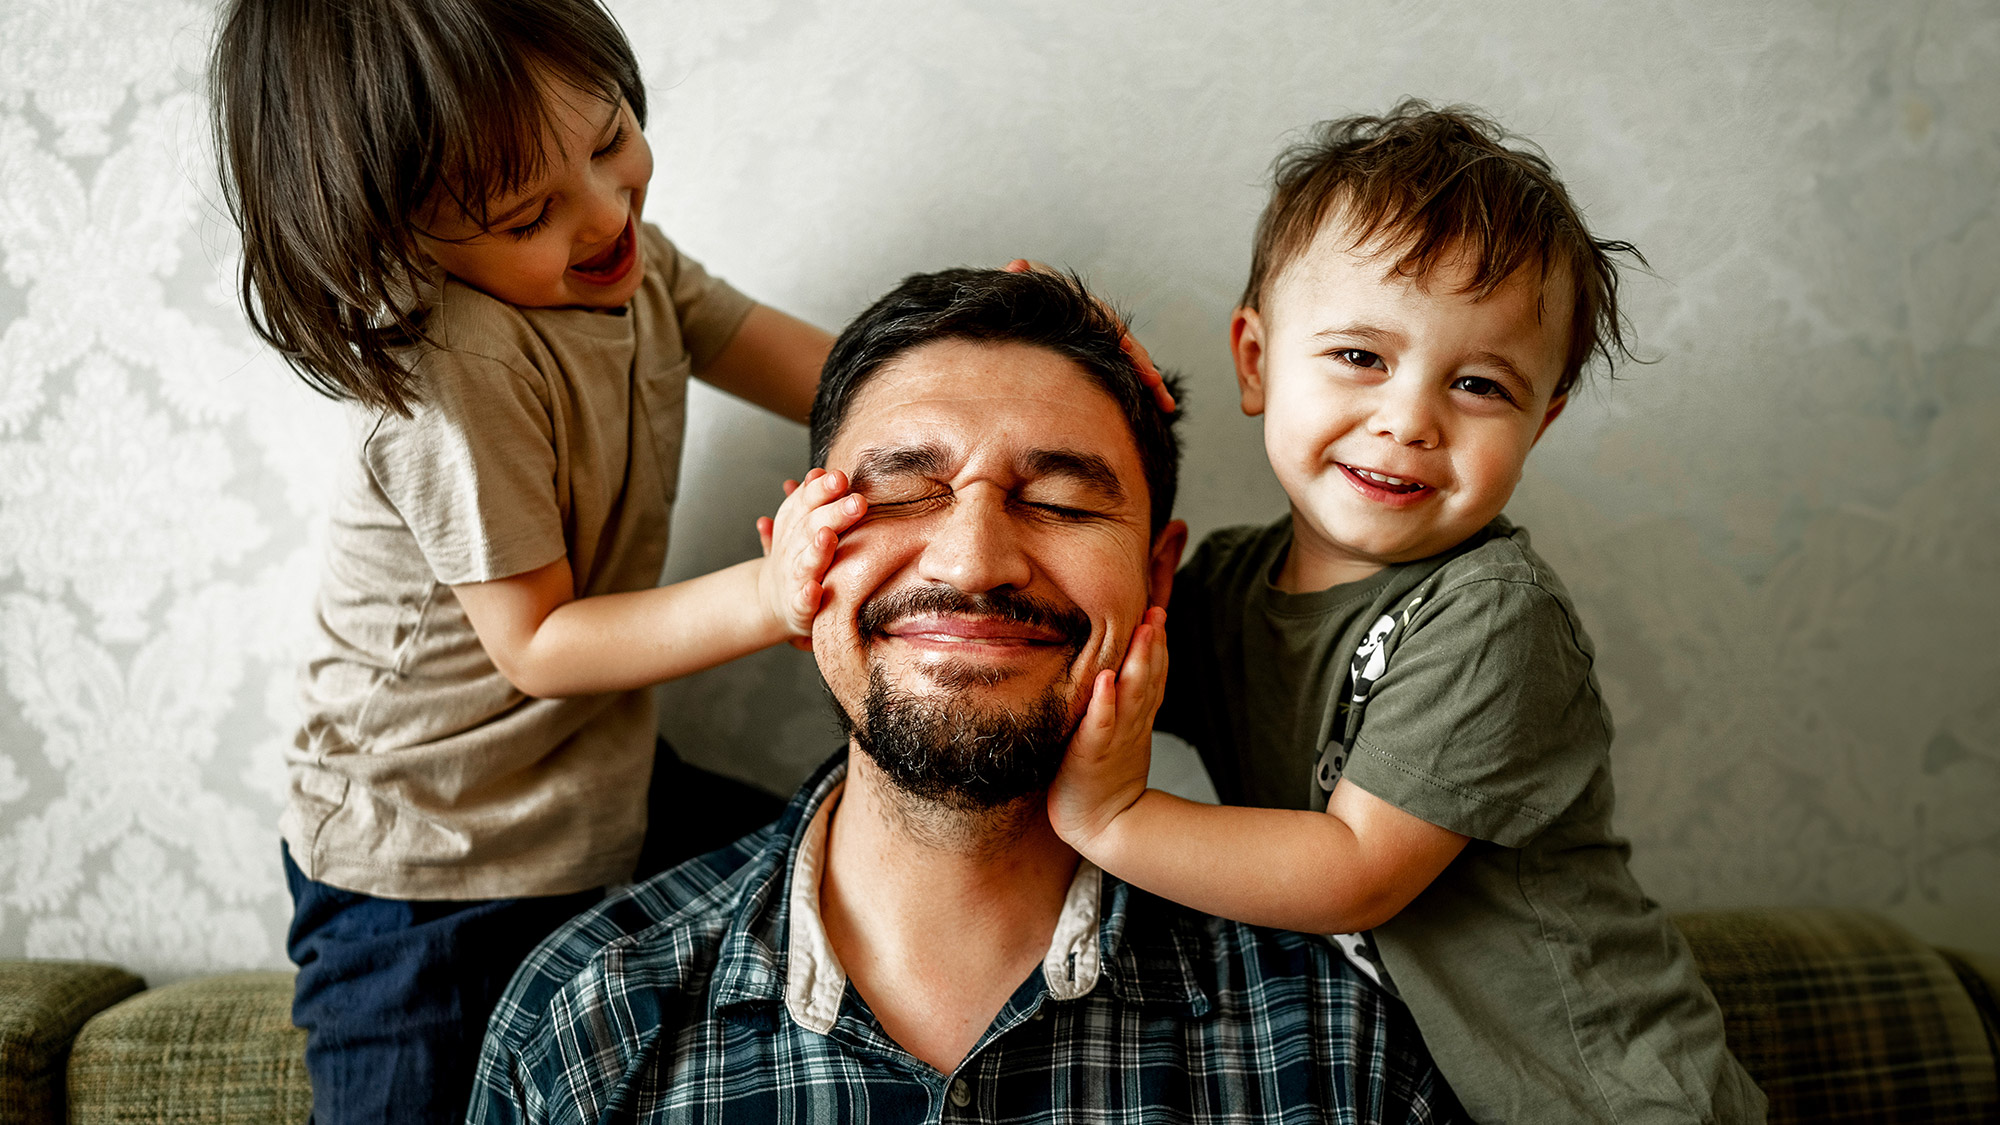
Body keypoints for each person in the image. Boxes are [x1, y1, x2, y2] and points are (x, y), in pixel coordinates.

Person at [467, 267, 1468, 1124]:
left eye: (1061, 501)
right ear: (793, 556)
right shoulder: (586, 1023)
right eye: (901, 490)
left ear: (1159, 576)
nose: (974, 560)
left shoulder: (1335, 1045)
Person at [1044, 102, 1767, 1122]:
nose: (1408, 419)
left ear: (1539, 417)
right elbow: (1071, 641)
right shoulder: (1219, 589)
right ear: (1254, 361)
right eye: (1358, 357)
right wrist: (1055, 374)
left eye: (1477, 384)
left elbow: (1354, 873)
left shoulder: (1489, 615)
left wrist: (1114, 819)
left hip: (1616, 1100)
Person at [208, 1, 866, 1120]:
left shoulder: (627, 258)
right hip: (425, 862)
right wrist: (770, 592)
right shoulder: (449, 378)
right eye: (526, 215)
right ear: (401, 236)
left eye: (610, 138)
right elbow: (541, 647)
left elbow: (812, 368)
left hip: (592, 788)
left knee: (847, 876)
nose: (608, 213)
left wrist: (971, 356)